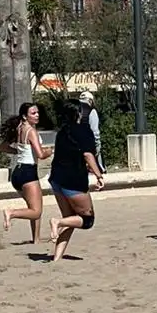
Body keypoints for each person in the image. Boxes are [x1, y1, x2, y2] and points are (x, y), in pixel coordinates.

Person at [48, 101, 105, 262]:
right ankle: (57, 222)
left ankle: (57, 258)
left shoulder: (62, 132)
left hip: (56, 179)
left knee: (70, 219)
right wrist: (99, 175)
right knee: (87, 220)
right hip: (73, 181)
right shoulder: (83, 130)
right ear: (78, 113)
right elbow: (88, 155)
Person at [0, 102, 51, 242]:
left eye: (37, 112)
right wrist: (49, 151)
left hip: (18, 173)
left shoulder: (18, 129)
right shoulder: (31, 131)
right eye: (33, 113)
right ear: (24, 116)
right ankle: (11, 213)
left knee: (34, 207)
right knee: (36, 211)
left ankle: (36, 239)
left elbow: (2, 147)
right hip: (28, 172)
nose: (37, 115)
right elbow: (41, 155)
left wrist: (19, 151)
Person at [78, 90, 103, 170]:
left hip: (75, 146)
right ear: (90, 100)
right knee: (96, 168)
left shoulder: (74, 110)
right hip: (88, 146)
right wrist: (97, 148)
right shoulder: (92, 111)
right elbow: (95, 132)